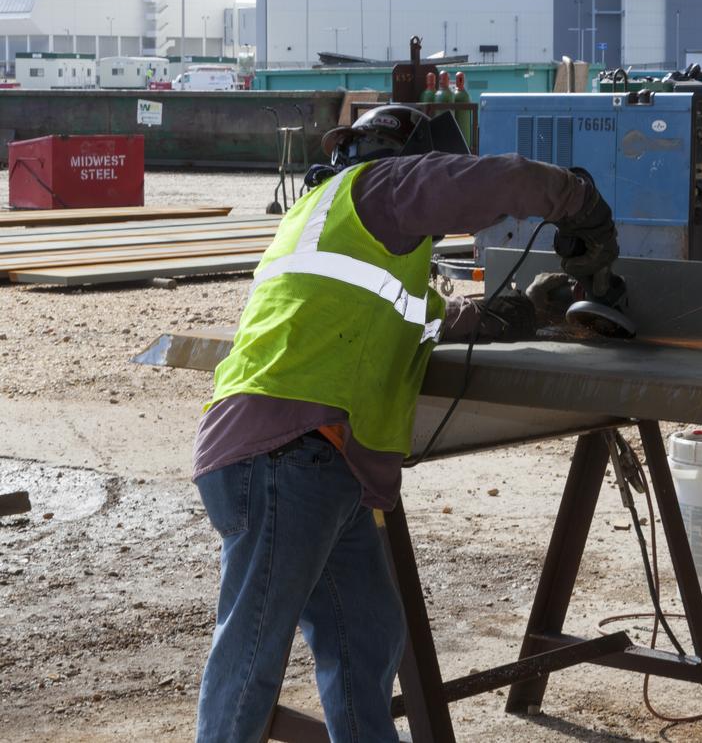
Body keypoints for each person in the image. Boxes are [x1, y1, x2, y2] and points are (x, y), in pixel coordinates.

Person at [190, 104, 617, 743]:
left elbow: (417, 317)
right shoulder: (382, 188)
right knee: (253, 653)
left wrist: (508, 312)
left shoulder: (340, 223)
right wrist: (579, 199)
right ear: (413, 158)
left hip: (320, 462)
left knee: (364, 635)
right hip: (286, 454)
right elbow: (492, 182)